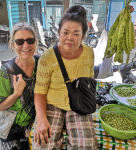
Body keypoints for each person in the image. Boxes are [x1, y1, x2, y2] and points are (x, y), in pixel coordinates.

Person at [34, 5, 98, 150]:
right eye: (66, 32)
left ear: (83, 35)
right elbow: (39, 91)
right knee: (43, 144)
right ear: (59, 33)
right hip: (52, 103)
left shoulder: (89, 53)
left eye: (76, 33)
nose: (70, 38)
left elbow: (89, 80)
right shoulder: (47, 58)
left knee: (86, 145)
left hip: (78, 103)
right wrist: (42, 119)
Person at [0, 22, 39, 150]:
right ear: (12, 44)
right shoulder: (6, 71)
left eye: (30, 40)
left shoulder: (41, 63)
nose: (26, 45)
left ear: (36, 42)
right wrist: (17, 93)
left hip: (32, 125)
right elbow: (0, 107)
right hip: (11, 130)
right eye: (20, 42)